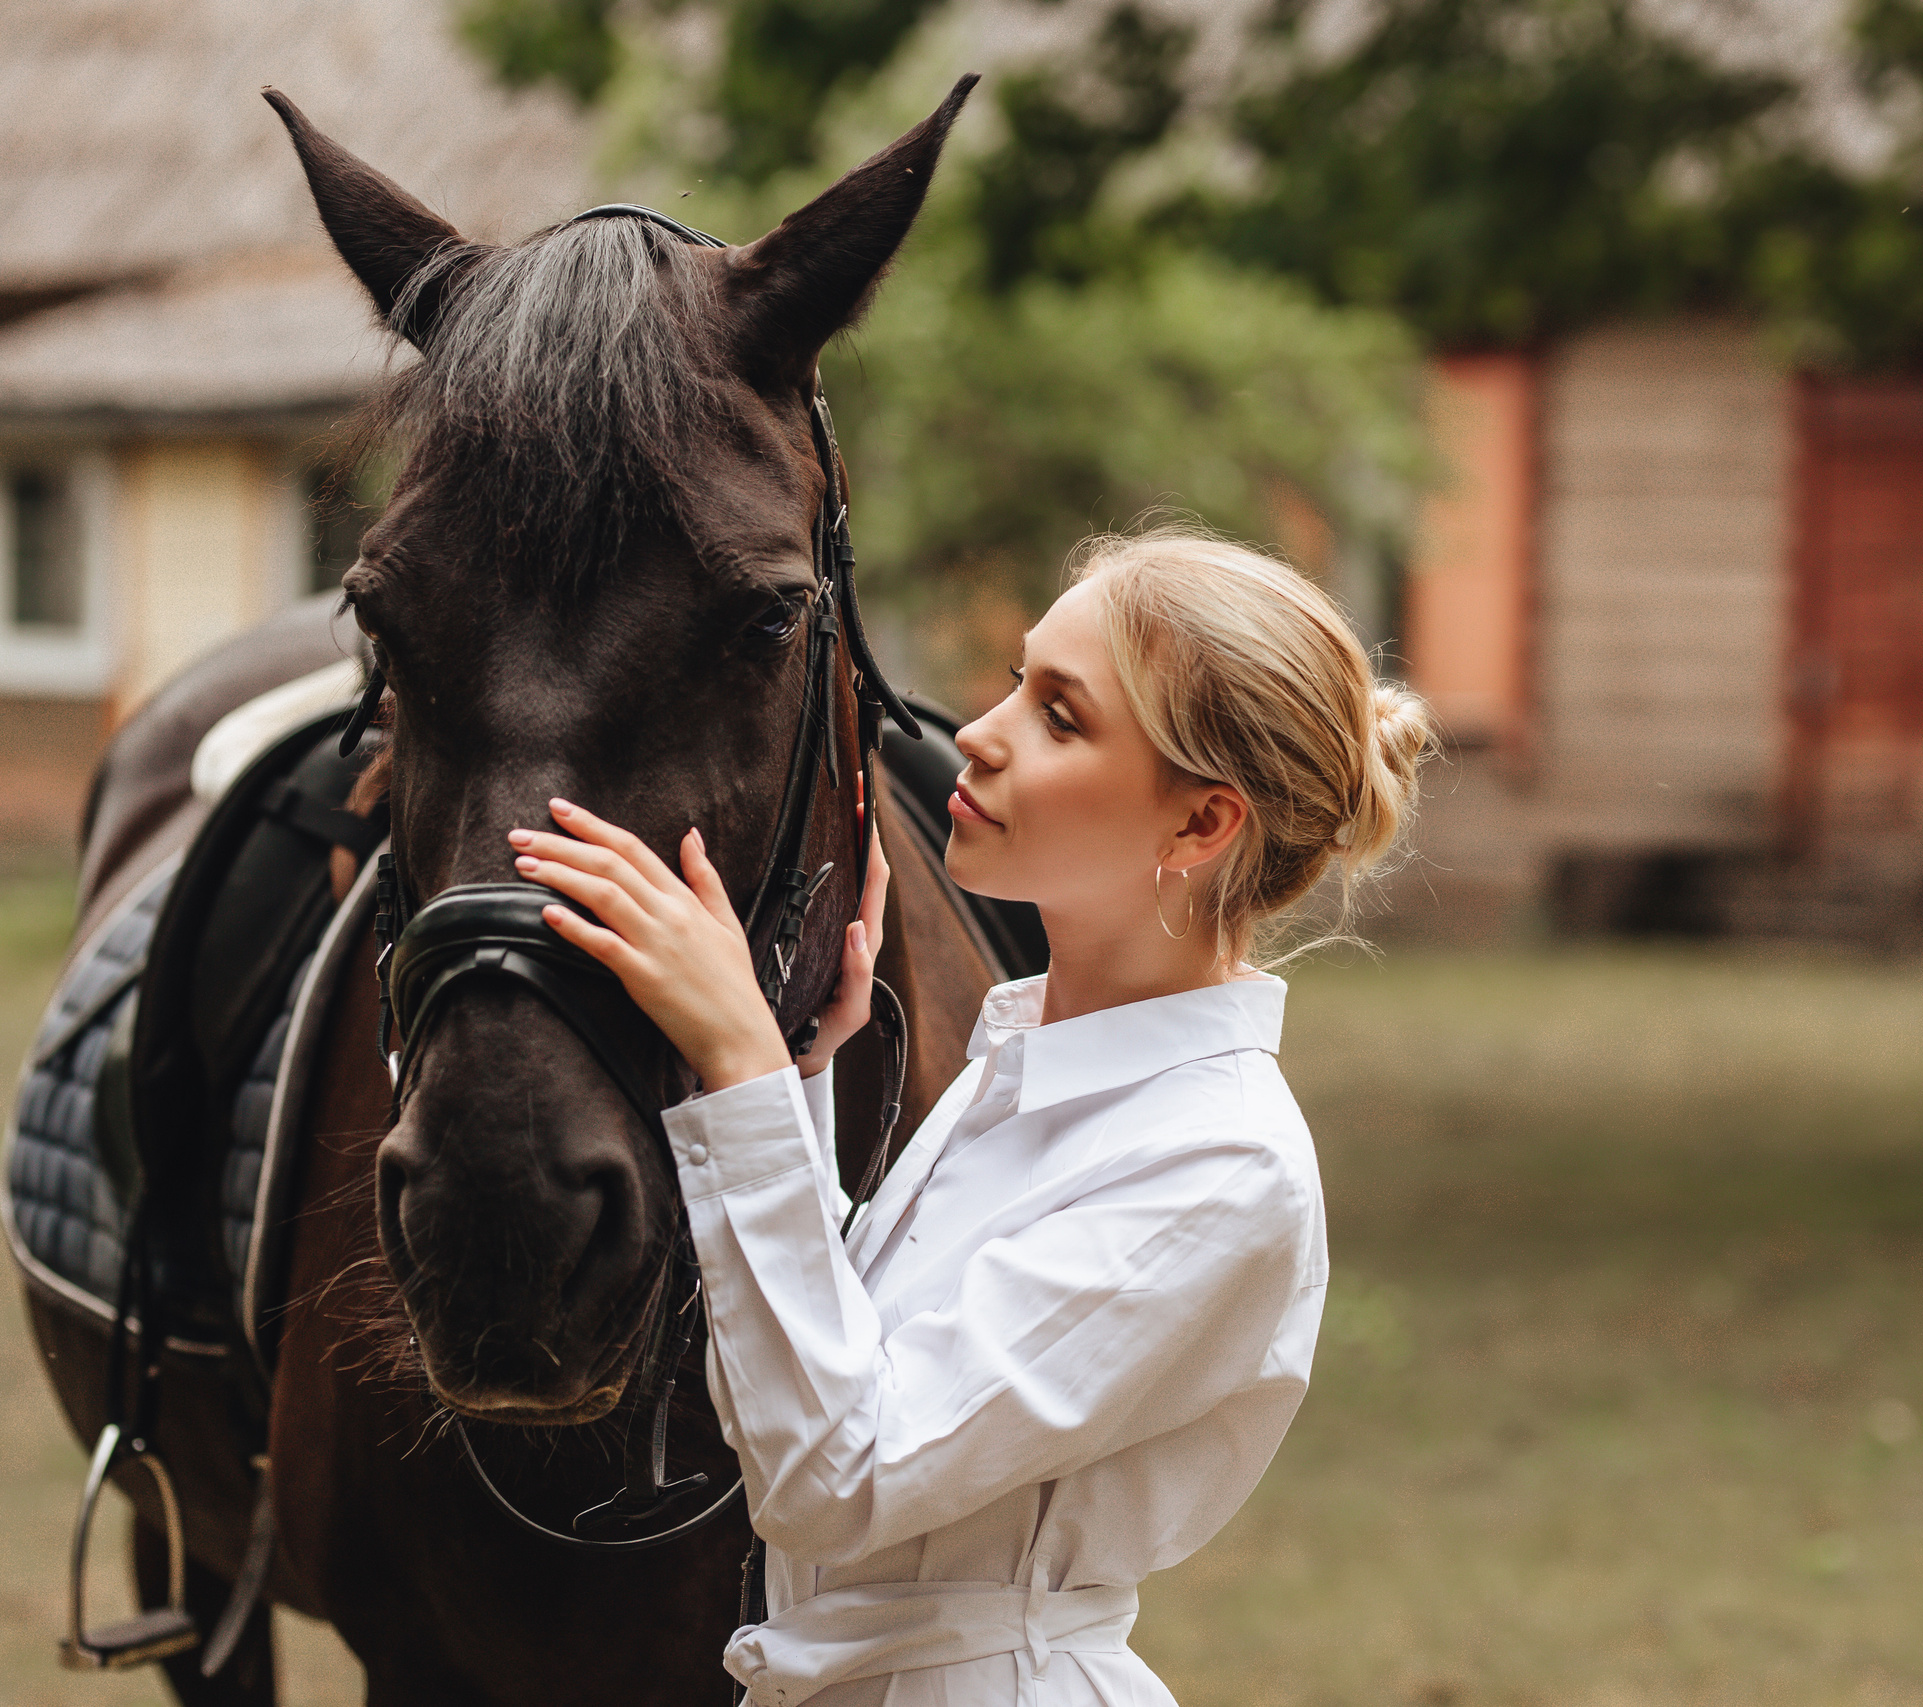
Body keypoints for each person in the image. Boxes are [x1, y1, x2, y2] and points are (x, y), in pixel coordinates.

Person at [506, 525, 1435, 1706]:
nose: (979, 737)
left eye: (1061, 716)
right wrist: (792, 1084)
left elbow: (838, 1478)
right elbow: (867, 1362)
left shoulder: (1218, 1163)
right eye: (1014, 683)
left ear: (1200, 827)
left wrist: (737, 1061)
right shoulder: (1031, 1052)